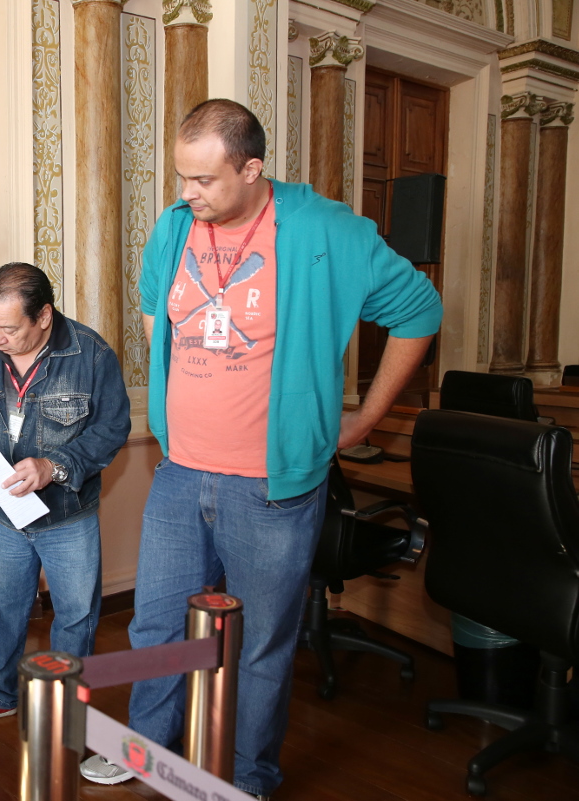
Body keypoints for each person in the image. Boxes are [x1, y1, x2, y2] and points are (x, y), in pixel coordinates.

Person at [79, 100, 442, 798]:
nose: (187, 193)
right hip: (180, 473)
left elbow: (419, 309)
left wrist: (364, 419)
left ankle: (249, 777)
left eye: (204, 180)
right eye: (181, 176)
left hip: (271, 489)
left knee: (262, 645)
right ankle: (147, 748)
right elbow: (158, 307)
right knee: (155, 623)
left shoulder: (326, 230)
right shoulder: (175, 226)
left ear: (252, 168)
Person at [0, 262, 131, 729]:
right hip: (5, 515)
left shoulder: (92, 354)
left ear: (43, 316)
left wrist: (53, 466)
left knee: (75, 616)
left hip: (68, 515)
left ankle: (63, 713)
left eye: (8, 328)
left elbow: (112, 429)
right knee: (2, 608)